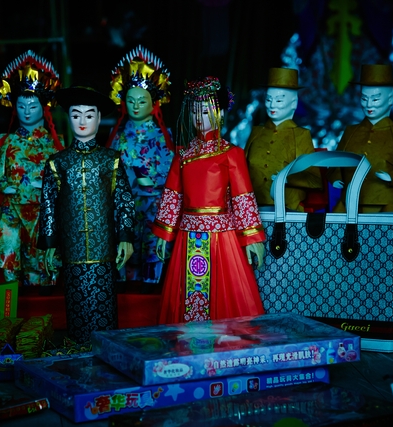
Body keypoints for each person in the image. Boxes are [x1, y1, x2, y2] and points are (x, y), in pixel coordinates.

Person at [153, 76, 266, 324]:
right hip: (187, 235)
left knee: (224, 292)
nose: (198, 117)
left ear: (220, 113)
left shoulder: (231, 154)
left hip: (221, 238)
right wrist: (164, 234)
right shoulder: (183, 155)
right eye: (195, 111)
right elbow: (172, 197)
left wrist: (252, 239)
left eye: (205, 111)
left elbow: (243, 199)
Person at [38, 85, 135, 351]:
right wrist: (49, 244)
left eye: (89, 115)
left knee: (104, 304)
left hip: (105, 246)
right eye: (76, 115)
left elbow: (124, 201)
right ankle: (79, 352)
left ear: (99, 118)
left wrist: (125, 237)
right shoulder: (57, 162)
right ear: (68, 118)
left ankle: (107, 352)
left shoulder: (111, 160)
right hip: (72, 249)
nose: (83, 121)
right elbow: (48, 204)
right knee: (77, 302)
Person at [0, 51, 63, 294]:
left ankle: (42, 297)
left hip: (42, 210)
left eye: (33, 106)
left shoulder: (52, 144)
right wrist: (4, 185)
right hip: (13, 208)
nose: (27, 111)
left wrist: (46, 185)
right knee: (10, 253)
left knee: (42, 263)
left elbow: (62, 180)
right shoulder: (8, 141)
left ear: (43, 107)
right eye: (21, 106)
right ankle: (12, 296)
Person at [106, 45, 175, 293]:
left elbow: (170, 173)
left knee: (153, 248)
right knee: (122, 245)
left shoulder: (163, 135)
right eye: (131, 100)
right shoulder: (117, 135)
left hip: (153, 204)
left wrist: (143, 178)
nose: (136, 106)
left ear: (153, 102)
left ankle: (152, 286)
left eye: (142, 100)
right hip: (124, 203)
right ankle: (125, 287)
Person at [328, 64, 393, 212]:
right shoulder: (351, 131)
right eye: (364, 98)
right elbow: (335, 165)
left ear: (390, 99)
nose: (368, 104)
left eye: (375, 99)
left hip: (385, 204)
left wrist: (390, 177)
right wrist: (337, 177)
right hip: (349, 204)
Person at [245, 68, 321, 210]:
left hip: (287, 208)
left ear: (293, 103)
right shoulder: (256, 132)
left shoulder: (300, 135)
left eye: (279, 100)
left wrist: (286, 178)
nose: (272, 105)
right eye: (268, 99)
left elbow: (314, 180)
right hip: (252, 210)